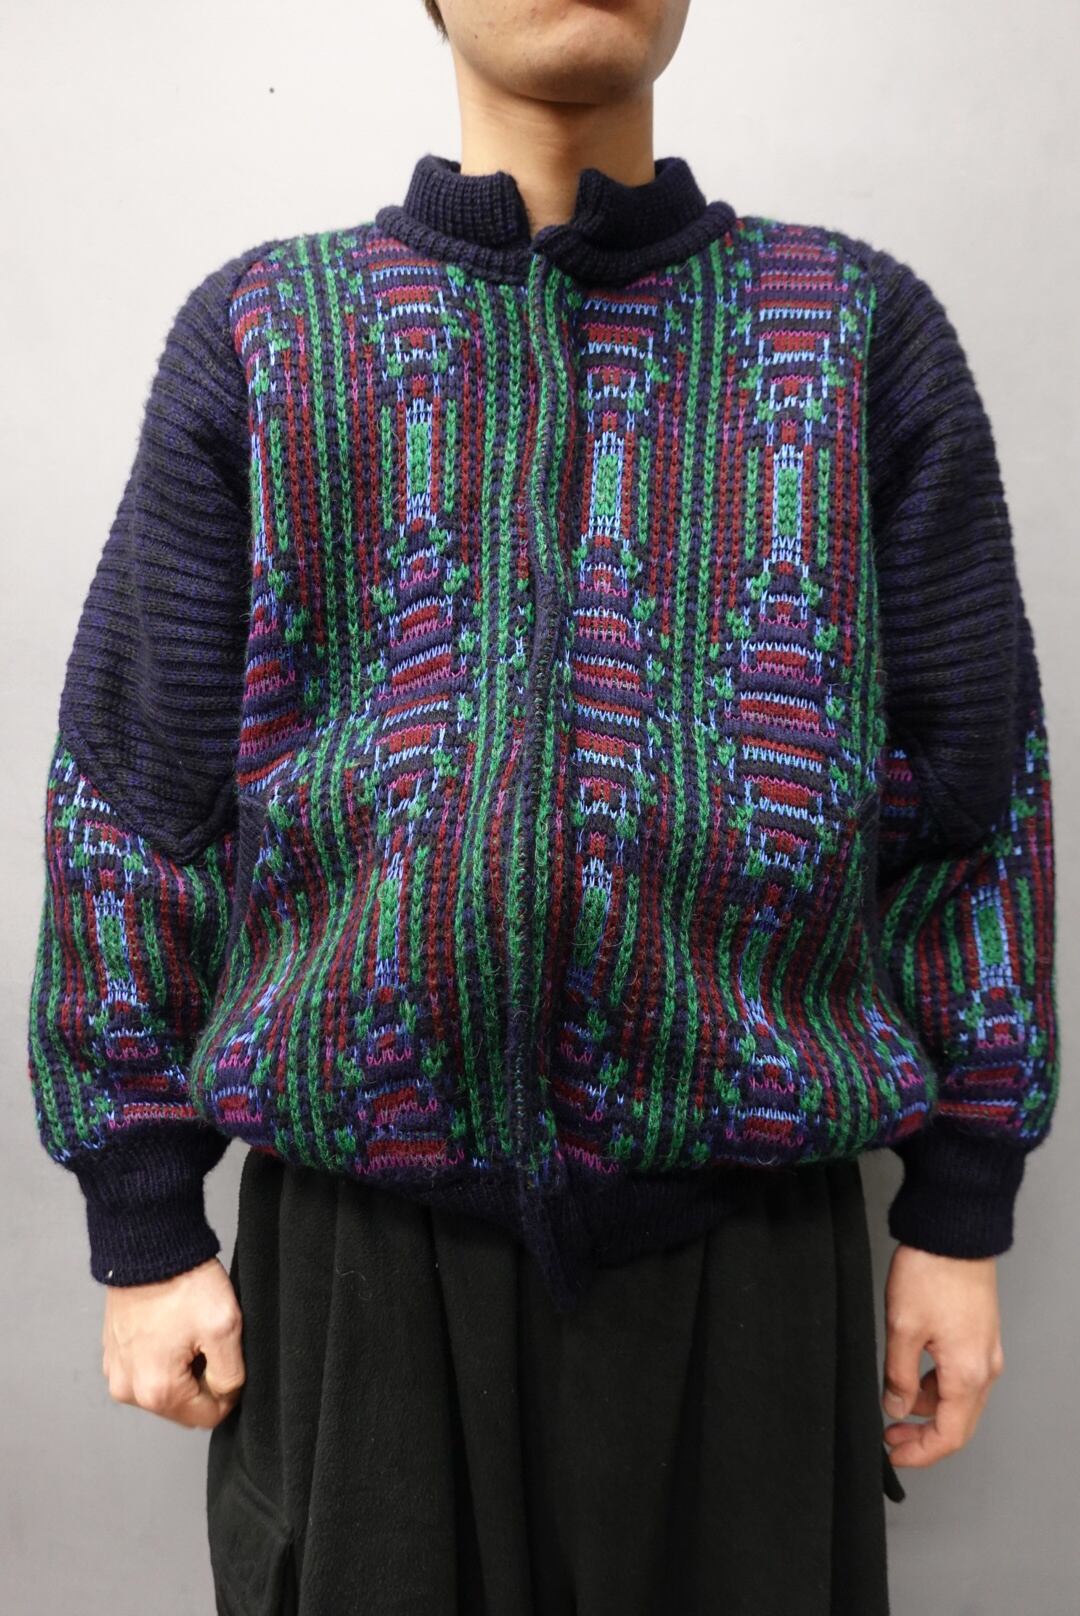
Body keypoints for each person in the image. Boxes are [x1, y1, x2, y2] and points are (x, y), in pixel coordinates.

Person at [25, 1, 1058, 1611]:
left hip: (750, 1273)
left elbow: (976, 805)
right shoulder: (269, 334)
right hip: (366, 1273)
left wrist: (961, 1210)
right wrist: (144, 1215)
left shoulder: (856, 333)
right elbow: (132, 800)